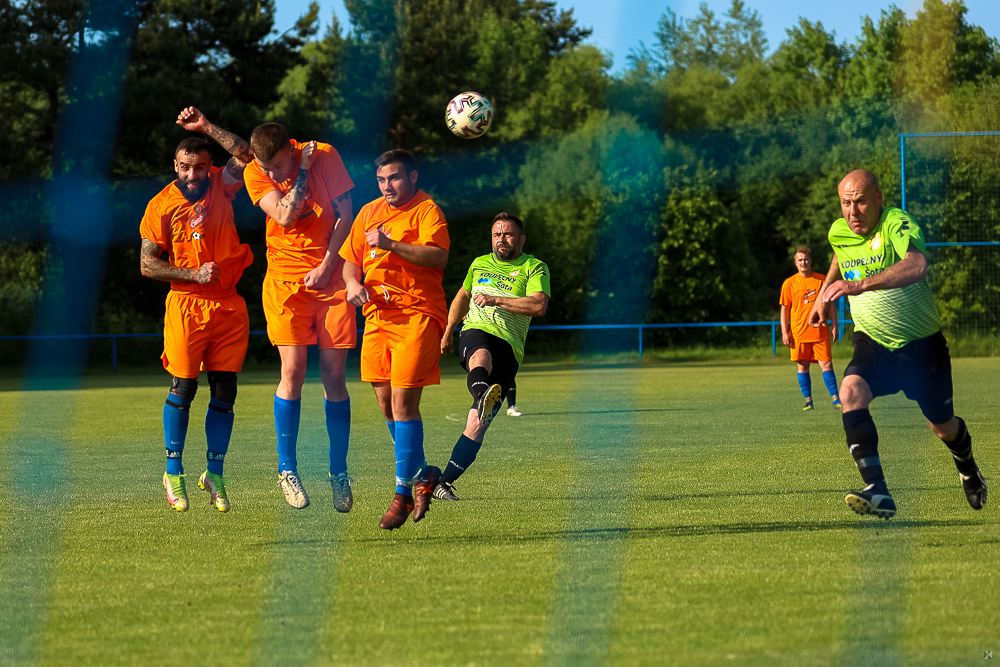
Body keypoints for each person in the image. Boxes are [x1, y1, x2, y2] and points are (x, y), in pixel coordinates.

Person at [809, 169, 988, 519]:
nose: (852, 211)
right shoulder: (839, 230)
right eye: (846, 203)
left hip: (923, 349)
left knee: (943, 426)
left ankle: (967, 467)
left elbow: (917, 265)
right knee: (850, 393)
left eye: (860, 201)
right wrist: (823, 295)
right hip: (873, 344)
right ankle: (878, 490)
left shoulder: (896, 222)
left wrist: (857, 286)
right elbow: (839, 253)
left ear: (878, 198)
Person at [139, 107, 254, 513]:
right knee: (183, 389)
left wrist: (205, 127)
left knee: (226, 391)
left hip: (228, 307)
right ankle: (173, 471)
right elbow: (147, 264)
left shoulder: (222, 186)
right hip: (186, 306)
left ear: (210, 167)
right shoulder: (160, 205)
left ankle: (215, 473)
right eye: (186, 167)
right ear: (175, 165)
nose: (193, 175)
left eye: (201, 167)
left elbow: (247, 153)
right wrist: (191, 273)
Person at [243, 123, 356, 512]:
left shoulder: (325, 154)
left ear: (291, 149)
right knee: (292, 371)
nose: (272, 174)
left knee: (334, 376)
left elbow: (347, 214)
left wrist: (328, 266)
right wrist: (300, 171)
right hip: (285, 284)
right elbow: (285, 216)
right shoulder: (255, 171)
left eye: (277, 166)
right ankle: (287, 469)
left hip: (331, 279)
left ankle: (338, 471)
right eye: (266, 168)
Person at [340, 149, 450, 530]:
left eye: (396, 178)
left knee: (403, 404)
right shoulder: (368, 211)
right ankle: (423, 474)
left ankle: (403, 493)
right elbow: (350, 259)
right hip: (376, 318)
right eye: (383, 179)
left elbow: (438, 258)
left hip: (417, 315)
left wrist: (391, 245)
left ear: (413, 177)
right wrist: (352, 283)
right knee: (387, 406)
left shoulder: (426, 211)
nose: (388, 186)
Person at [434, 213, 550, 501]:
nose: (502, 239)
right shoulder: (479, 263)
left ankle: (442, 484)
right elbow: (462, 297)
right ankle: (483, 390)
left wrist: (498, 299)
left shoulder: (534, 267)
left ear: (521, 239)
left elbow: (538, 305)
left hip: (510, 347)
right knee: (481, 356)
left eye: (508, 234)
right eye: (497, 234)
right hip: (476, 330)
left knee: (477, 424)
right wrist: (449, 330)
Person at [779, 246, 841, 411]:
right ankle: (808, 401)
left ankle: (835, 399)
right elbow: (784, 309)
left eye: (805, 259)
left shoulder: (821, 280)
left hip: (820, 331)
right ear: (795, 263)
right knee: (802, 366)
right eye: (800, 260)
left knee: (826, 364)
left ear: (811, 260)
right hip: (798, 333)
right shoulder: (789, 283)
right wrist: (785, 332)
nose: (803, 262)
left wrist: (835, 325)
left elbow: (831, 305)